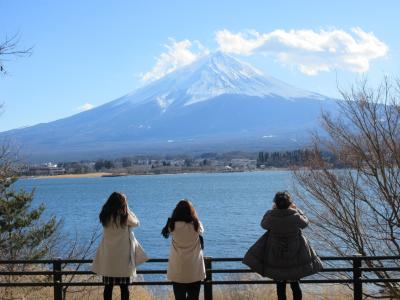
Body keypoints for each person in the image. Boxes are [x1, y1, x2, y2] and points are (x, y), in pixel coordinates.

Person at [243, 191, 322, 300]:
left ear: (275, 203)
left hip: (276, 256)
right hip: (295, 256)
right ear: (289, 203)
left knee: (280, 287)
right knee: (295, 286)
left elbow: (263, 224)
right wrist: (297, 210)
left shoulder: (271, 216)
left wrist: (271, 210)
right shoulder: (295, 216)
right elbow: (305, 223)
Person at [92, 192, 148, 300]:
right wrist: (129, 209)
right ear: (123, 204)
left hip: (108, 256)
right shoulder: (124, 216)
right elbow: (137, 223)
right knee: (124, 288)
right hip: (123, 257)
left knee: (108, 288)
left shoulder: (105, 216)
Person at [162, 199, 206, 300]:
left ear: (176, 211)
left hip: (178, 269)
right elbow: (202, 232)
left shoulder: (172, 225)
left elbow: (166, 232)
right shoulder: (196, 225)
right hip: (194, 269)